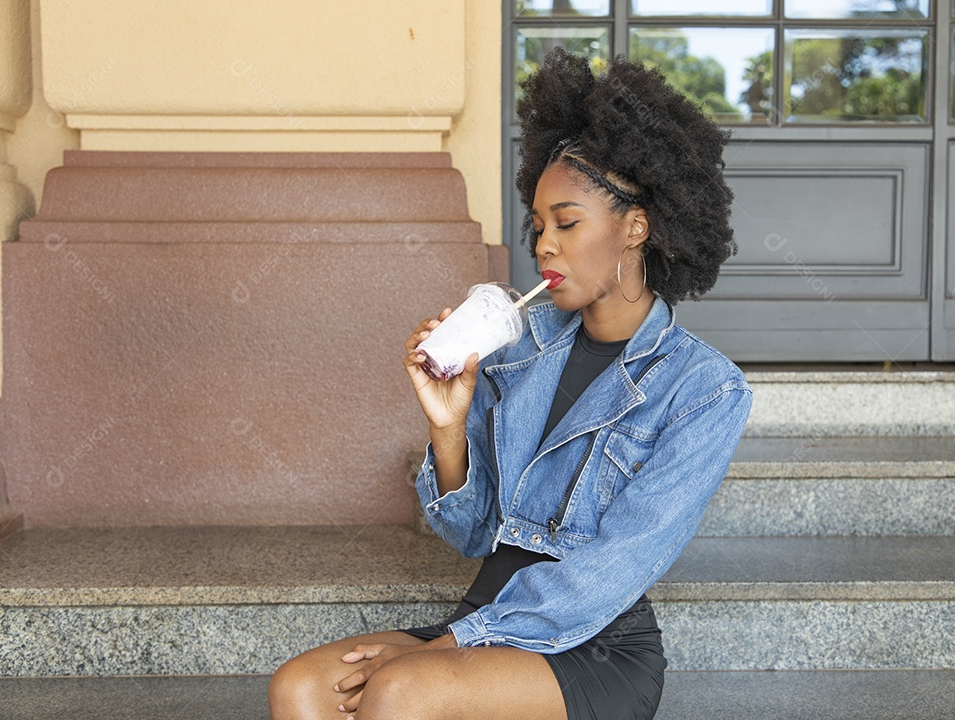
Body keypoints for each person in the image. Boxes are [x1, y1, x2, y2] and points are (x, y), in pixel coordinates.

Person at [268, 47, 752, 720]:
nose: (544, 244)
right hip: (484, 616)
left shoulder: (704, 389)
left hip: (588, 645)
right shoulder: (518, 346)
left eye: (568, 223)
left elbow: (614, 568)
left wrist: (454, 643)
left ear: (635, 227)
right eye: (539, 225)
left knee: (401, 691)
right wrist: (447, 426)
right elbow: (471, 535)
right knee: (300, 687)